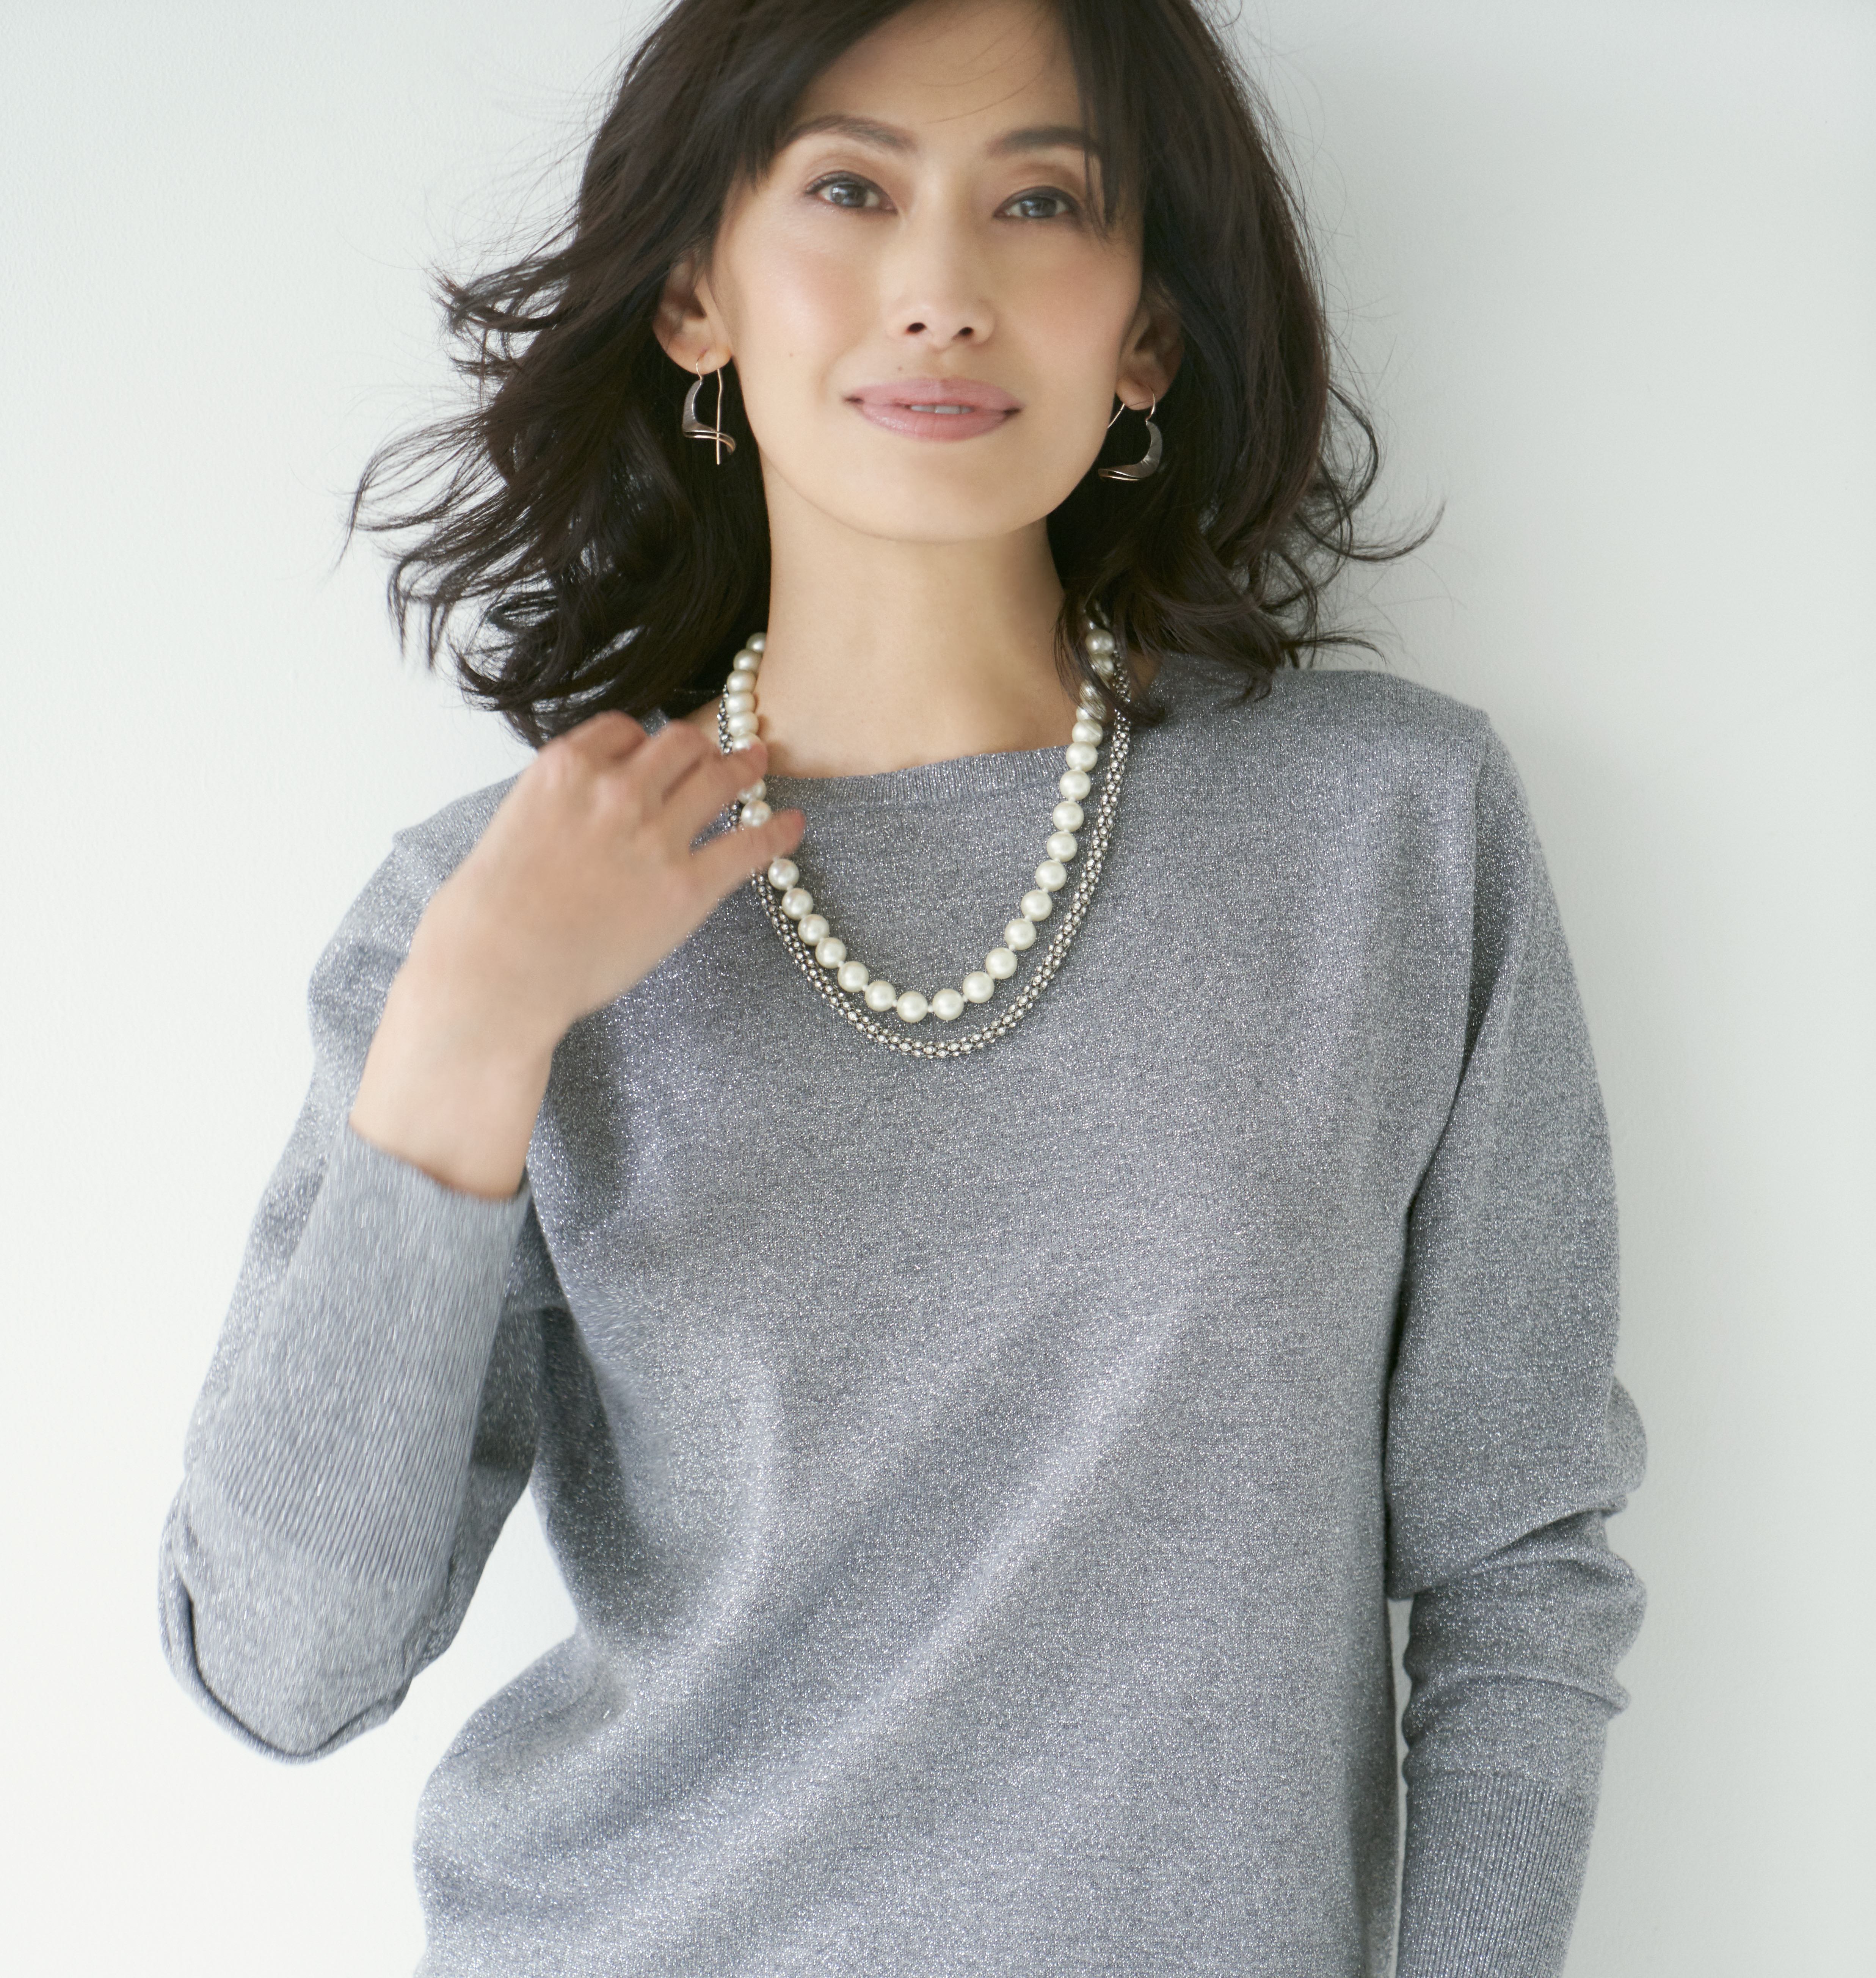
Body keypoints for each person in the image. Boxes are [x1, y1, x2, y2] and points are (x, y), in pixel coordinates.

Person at [157, 1, 1646, 1972]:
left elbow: (1514, 1570)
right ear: (695, 294)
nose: (942, 289)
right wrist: (472, 1032)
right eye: (851, 190)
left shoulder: (1390, 832)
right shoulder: (489, 908)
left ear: (1147, 332)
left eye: (1041, 203)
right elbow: (280, 1669)